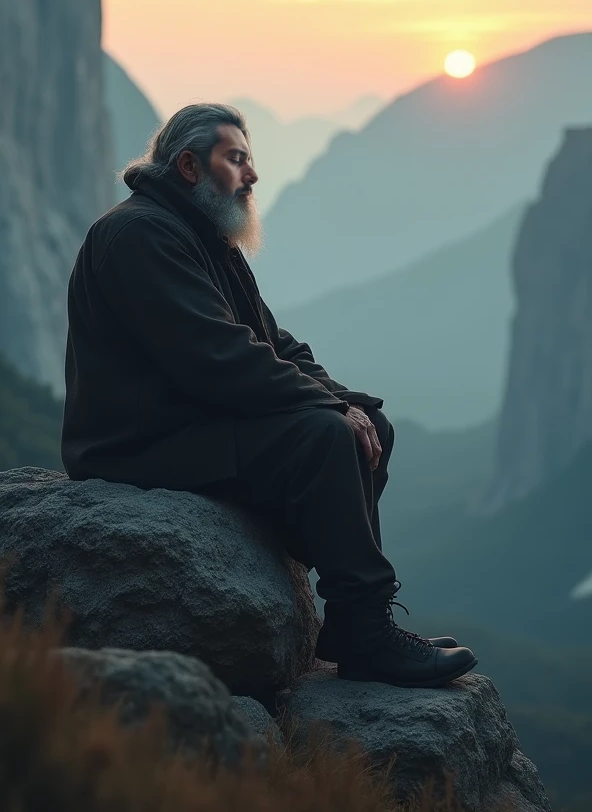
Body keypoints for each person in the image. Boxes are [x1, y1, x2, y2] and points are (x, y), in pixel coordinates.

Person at [61, 103, 477, 688]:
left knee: (369, 425)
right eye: (237, 159)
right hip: (137, 444)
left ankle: (353, 623)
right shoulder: (137, 235)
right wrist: (331, 411)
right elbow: (217, 356)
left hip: (192, 426)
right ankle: (364, 630)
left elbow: (272, 343)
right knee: (324, 435)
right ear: (188, 166)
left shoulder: (205, 235)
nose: (252, 175)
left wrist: (346, 400)